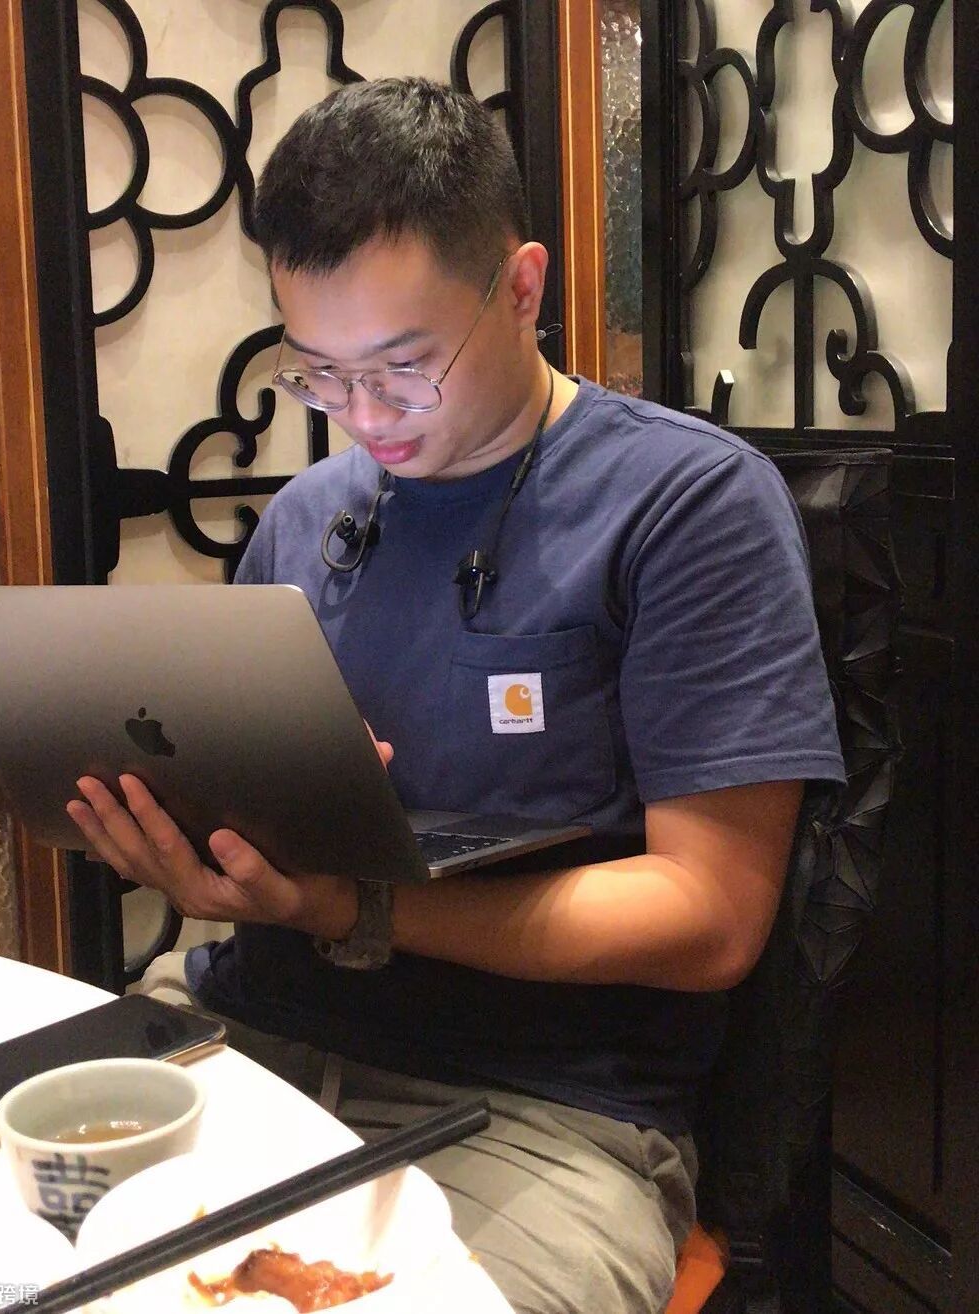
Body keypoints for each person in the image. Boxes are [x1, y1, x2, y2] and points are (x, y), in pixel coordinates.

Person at [67, 78, 845, 1314]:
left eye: (404, 367)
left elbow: (709, 916)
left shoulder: (687, 506)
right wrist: (186, 837)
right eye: (321, 374)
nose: (364, 418)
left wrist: (354, 905)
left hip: (541, 1109)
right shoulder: (307, 520)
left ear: (522, 288)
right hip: (245, 1024)